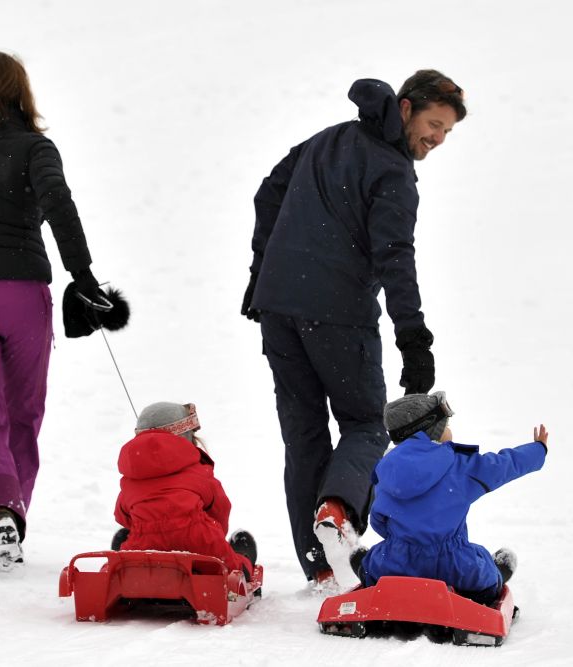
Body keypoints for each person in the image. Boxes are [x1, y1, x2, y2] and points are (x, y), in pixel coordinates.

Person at [241, 70, 467, 584]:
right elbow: (395, 256)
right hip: (339, 313)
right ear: (406, 108)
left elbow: (267, 196)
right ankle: (338, 515)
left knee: (303, 437)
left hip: (278, 309)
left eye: (448, 132)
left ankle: (320, 569)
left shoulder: (327, 140)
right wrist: (413, 336)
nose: (437, 139)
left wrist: (263, 276)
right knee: (366, 424)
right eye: (434, 124)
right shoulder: (392, 170)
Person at [0, 51, 127, 572]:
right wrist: (81, 275)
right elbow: (58, 203)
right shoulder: (35, 147)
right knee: (22, 416)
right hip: (21, 294)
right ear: (22, 94)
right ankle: (10, 519)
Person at [361, 392, 548, 605]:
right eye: (445, 424)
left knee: (370, 566)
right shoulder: (460, 466)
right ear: (431, 429)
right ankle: (496, 577)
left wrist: (402, 541)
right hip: (453, 564)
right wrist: (537, 450)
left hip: (398, 563)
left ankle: (369, 573)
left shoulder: (387, 471)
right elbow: (504, 465)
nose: (449, 429)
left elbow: (377, 519)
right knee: (483, 575)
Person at [112, 402, 257, 579]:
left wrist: (148, 526)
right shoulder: (199, 472)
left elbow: (122, 516)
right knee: (235, 563)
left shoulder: (131, 477)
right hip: (202, 548)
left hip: (145, 549)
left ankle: (128, 581)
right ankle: (245, 568)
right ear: (188, 438)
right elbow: (220, 511)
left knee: (121, 551)